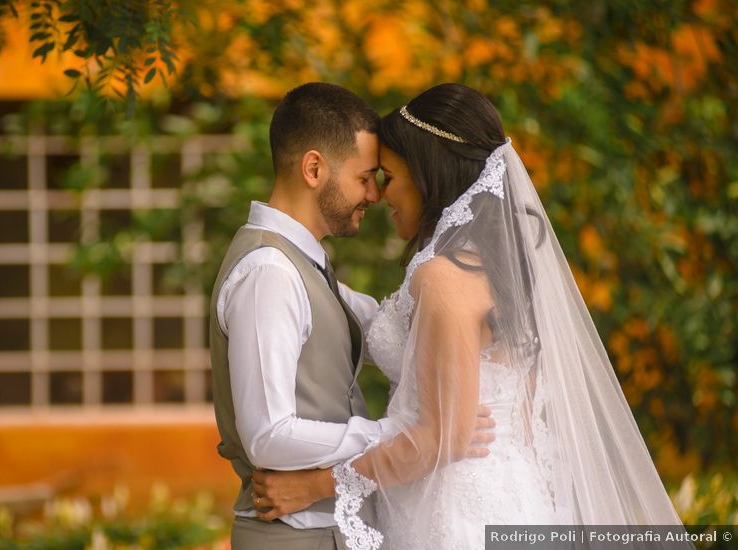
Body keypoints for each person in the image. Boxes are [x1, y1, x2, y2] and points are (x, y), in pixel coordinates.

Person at [251, 83, 685, 549]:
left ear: (427, 176)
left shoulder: (444, 276)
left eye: (390, 176)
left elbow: (445, 439)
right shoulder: (493, 266)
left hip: (459, 509)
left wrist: (316, 485)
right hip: (505, 490)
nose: (380, 194)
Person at [209, 82, 495, 549]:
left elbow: (386, 326)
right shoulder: (269, 273)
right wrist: (395, 433)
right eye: (365, 177)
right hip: (293, 534)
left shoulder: (304, 267)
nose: (375, 195)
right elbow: (267, 435)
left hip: (334, 527)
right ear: (314, 168)